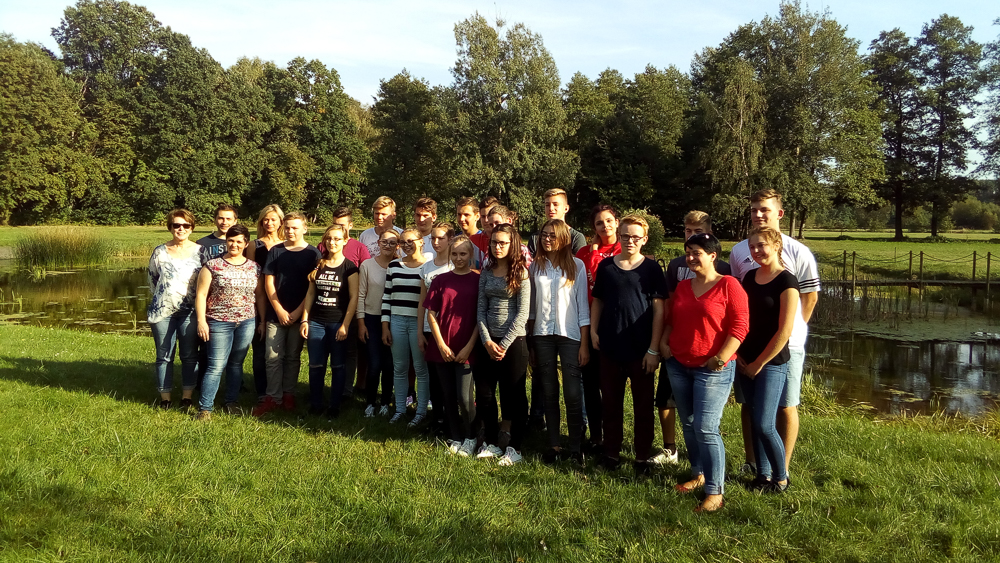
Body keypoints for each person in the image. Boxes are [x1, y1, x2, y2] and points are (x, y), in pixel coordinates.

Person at [729, 189, 820, 474]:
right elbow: (737, 296)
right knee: (749, 405)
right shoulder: (739, 251)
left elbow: (809, 297)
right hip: (749, 344)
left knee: (785, 405)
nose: (758, 214)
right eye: (754, 210)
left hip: (787, 345)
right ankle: (753, 462)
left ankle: (783, 468)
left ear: (779, 213)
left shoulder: (798, 252)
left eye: (764, 209)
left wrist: (791, 330)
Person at [660, 233, 748, 513]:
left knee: (706, 428)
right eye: (688, 252)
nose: (690, 257)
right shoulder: (683, 286)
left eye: (696, 253)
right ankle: (698, 473)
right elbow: (671, 320)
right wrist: (664, 343)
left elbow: (740, 327)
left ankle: (715, 491)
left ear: (713, 255)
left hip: (712, 369)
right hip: (678, 364)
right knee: (688, 423)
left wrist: (720, 358)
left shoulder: (729, 285)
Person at [653, 211, 733, 466]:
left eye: (698, 231)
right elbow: (670, 304)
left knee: (703, 418)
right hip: (677, 346)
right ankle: (671, 449)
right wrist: (664, 340)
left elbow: (734, 318)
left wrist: (723, 354)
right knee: (667, 398)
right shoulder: (676, 265)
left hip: (709, 352)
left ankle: (708, 468)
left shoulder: (726, 271)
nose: (691, 235)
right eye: (688, 231)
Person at [590, 215, 666, 475]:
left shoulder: (652, 269)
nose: (630, 241)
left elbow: (659, 310)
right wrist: (593, 331)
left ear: (644, 239)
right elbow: (598, 300)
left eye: (635, 237)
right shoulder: (606, 267)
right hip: (610, 346)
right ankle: (611, 453)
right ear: (619, 237)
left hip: (641, 349)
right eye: (625, 236)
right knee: (611, 404)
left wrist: (654, 349)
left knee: (643, 406)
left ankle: (642, 457)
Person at [737, 227, 798, 493]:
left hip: (771, 363)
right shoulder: (749, 277)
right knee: (753, 419)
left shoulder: (787, 281)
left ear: (776, 246)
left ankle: (781, 478)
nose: (756, 251)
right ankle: (762, 476)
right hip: (744, 360)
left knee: (764, 423)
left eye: (761, 245)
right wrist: (739, 355)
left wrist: (759, 363)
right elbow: (740, 317)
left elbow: (784, 330)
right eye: (752, 247)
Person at [528, 219, 590, 465]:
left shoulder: (577, 265)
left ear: (564, 238)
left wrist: (584, 343)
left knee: (573, 394)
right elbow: (531, 307)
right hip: (542, 335)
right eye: (544, 235)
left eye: (552, 235)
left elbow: (582, 306)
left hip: (569, 335)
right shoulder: (535, 266)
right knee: (549, 391)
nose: (547, 239)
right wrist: (531, 341)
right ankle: (554, 444)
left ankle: (575, 447)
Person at [254, 212, 322, 417]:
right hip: (276, 313)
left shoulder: (313, 254)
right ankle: (273, 397)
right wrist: (279, 310)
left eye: (295, 228)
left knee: (293, 357)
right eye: (288, 227)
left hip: (299, 315)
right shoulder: (276, 251)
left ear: (304, 229)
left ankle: (289, 395)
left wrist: (298, 313)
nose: (291, 231)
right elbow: (269, 282)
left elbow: (312, 287)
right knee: (272, 357)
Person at [475, 223, 531, 466]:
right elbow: (480, 309)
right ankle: (490, 442)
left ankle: (514, 447)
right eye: (494, 242)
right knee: (485, 393)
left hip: (514, 343)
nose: (498, 247)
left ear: (512, 245)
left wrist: (504, 344)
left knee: (514, 394)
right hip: (488, 341)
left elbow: (522, 314)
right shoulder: (487, 272)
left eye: (503, 243)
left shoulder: (521, 273)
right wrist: (487, 340)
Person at [193, 224, 260, 420]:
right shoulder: (212, 265)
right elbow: (201, 294)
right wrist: (201, 321)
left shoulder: (254, 267)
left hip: (246, 321)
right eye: (231, 240)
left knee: (236, 363)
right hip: (219, 321)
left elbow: (260, 296)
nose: (234, 245)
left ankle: (231, 401)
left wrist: (262, 321)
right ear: (226, 242)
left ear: (246, 244)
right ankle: (205, 408)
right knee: (216, 365)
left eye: (239, 241)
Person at [424, 235, 481, 457]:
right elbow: (431, 313)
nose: (458, 258)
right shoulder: (440, 280)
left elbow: (481, 317)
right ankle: (455, 436)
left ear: (471, 255)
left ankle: (471, 436)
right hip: (443, 346)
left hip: (468, 345)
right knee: (447, 395)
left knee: (465, 398)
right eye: (455, 254)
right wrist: (440, 344)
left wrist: (469, 346)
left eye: (463, 254)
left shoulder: (478, 280)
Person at [147, 209, 208, 409]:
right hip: (162, 311)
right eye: (176, 225)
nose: (181, 229)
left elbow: (207, 281)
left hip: (190, 311)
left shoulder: (201, 252)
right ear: (170, 227)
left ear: (191, 228)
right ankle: (165, 399)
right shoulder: (160, 251)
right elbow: (153, 280)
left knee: (189, 356)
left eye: (185, 225)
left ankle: (187, 397)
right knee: (164, 355)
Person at [300, 224, 360, 419]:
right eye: (329, 238)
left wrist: (345, 325)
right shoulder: (319, 264)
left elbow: (354, 298)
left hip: (337, 323)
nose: (332, 242)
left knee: (338, 366)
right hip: (316, 322)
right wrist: (304, 320)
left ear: (345, 241)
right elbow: (310, 293)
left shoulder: (350, 268)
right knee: (315, 365)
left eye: (336, 239)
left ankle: (335, 406)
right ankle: (316, 404)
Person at [575, 204, 620, 453]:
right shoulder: (583, 252)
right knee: (590, 383)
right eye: (599, 223)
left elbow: (600, 278)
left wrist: (595, 254)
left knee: (610, 385)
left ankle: (613, 436)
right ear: (593, 227)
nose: (605, 226)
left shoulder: (623, 249)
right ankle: (595, 436)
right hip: (587, 321)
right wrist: (592, 251)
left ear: (617, 222)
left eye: (609, 221)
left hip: (613, 322)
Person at [381, 228, 431, 426]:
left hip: (418, 323)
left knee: (420, 368)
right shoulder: (394, 265)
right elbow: (386, 297)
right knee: (400, 367)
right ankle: (400, 409)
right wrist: (385, 326)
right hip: (397, 321)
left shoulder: (427, 266)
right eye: (403, 242)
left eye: (411, 241)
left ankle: (421, 412)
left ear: (421, 242)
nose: (407, 245)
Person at [329, 206, 371, 400]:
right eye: (335, 224)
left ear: (351, 226)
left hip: (351, 305)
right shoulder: (325, 244)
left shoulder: (359, 248)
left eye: (342, 225)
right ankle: (332, 388)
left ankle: (346, 390)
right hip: (327, 306)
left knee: (350, 351)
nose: (338, 228)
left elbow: (366, 276)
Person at [417, 222, 455, 433]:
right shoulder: (427, 266)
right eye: (433, 238)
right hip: (429, 327)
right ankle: (437, 418)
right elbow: (422, 302)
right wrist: (419, 331)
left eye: (441, 238)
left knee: (448, 378)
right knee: (434, 376)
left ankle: (452, 419)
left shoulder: (455, 264)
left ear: (450, 239)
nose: (436, 242)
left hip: (450, 329)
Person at [358, 229, 397, 417]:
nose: (388, 245)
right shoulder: (367, 265)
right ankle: (370, 402)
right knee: (374, 364)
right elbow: (360, 295)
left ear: (397, 245)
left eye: (392, 242)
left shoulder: (399, 266)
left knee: (389, 365)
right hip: (371, 318)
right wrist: (361, 323)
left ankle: (385, 402)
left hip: (393, 319)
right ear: (378, 243)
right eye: (384, 242)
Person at [247, 204, 284, 402]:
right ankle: (262, 391)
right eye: (265, 220)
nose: (269, 223)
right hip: (259, 299)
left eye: (273, 219)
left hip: (283, 299)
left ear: (280, 222)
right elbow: (252, 274)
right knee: (260, 348)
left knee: (280, 349)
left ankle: (283, 389)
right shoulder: (255, 245)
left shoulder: (287, 244)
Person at [527, 188, 587, 255]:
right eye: (547, 205)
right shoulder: (535, 238)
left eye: (555, 204)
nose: (551, 208)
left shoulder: (576, 238)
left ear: (566, 208)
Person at [454, 197, 486, 269]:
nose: (461, 219)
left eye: (466, 215)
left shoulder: (485, 241)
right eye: (459, 214)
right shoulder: (454, 241)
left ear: (477, 216)